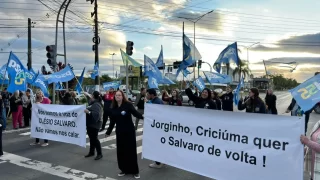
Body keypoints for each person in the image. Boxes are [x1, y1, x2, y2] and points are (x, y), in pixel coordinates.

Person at [106, 90, 142, 179]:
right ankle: (124, 169)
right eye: (116, 95)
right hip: (120, 132)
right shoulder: (113, 107)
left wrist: (145, 117)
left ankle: (135, 171)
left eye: (119, 95)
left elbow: (136, 113)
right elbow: (112, 121)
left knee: (131, 151)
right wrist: (108, 132)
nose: (117, 96)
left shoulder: (128, 105)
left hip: (129, 132)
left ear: (122, 96)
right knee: (121, 152)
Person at [146, 88, 165, 169]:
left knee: (155, 145)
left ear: (152, 95)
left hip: (157, 127)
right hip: (157, 126)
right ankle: (161, 160)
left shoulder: (156, 102)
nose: (147, 95)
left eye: (148, 94)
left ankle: (158, 163)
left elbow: (156, 114)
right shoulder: (157, 101)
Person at [84, 91, 103, 160]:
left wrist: (88, 112)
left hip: (95, 124)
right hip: (90, 123)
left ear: (94, 97)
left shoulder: (96, 104)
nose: (90, 97)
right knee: (91, 138)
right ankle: (91, 152)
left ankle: (99, 153)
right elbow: (89, 100)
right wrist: (86, 95)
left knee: (94, 139)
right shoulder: (93, 103)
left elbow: (96, 114)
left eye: (91, 95)